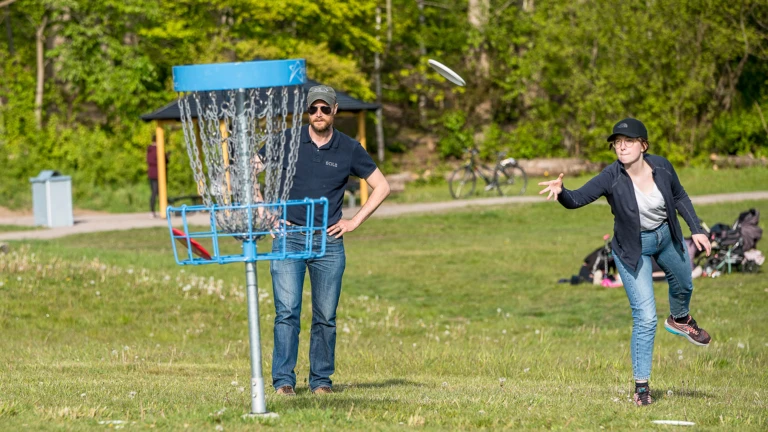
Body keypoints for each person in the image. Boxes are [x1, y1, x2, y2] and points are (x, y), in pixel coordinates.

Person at [538, 118, 712, 406]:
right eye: (617, 142)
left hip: (667, 237)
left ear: (643, 145)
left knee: (684, 283)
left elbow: (679, 196)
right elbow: (577, 198)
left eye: (628, 141)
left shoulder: (663, 167)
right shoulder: (612, 177)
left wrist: (697, 229)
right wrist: (562, 193)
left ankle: (681, 318)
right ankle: (642, 388)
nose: (622, 146)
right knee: (645, 318)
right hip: (632, 248)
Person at [266, 85, 390, 396]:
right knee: (287, 312)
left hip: (328, 243)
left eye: (324, 109)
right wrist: (265, 213)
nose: (318, 114)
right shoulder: (288, 140)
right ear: (306, 112)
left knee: (325, 316)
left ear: (334, 111)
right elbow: (248, 168)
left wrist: (354, 221)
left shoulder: (349, 148)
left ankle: (321, 381)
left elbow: (382, 186)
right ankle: (284, 382)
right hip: (288, 236)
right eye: (313, 109)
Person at [146, 135, 168, 219]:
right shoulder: (158, 150)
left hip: (152, 174)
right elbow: (163, 160)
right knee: (158, 192)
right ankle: (162, 210)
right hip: (158, 174)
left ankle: (153, 211)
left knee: (154, 193)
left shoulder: (149, 150)